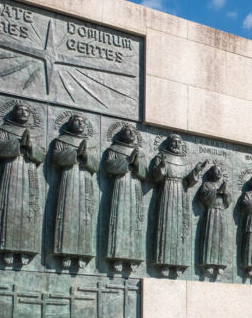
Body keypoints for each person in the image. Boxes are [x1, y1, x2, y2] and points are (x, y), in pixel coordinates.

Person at [0, 102, 44, 267]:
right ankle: (7, 247)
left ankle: (26, 248)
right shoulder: (4, 130)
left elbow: (41, 154)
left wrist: (30, 147)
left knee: (29, 209)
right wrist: (16, 144)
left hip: (29, 172)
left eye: (27, 110)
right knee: (11, 207)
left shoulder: (34, 134)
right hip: (12, 170)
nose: (23, 112)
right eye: (20, 109)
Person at [150, 134, 207, 277]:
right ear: (168, 143)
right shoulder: (161, 157)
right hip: (167, 193)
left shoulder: (183, 161)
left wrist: (197, 171)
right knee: (166, 227)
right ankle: (164, 262)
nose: (176, 144)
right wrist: (162, 166)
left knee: (181, 229)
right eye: (174, 142)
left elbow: (189, 182)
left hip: (181, 194)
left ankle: (179, 263)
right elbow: (156, 177)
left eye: (178, 142)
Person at [50, 114, 96, 270]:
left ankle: (83, 252)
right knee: (68, 213)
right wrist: (74, 154)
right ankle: (66, 252)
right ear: (69, 124)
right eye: (77, 121)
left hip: (85, 181)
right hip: (69, 179)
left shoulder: (89, 144)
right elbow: (56, 159)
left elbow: (95, 165)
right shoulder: (61, 141)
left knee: (85, 217)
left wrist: (86, 157)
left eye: (83, 121)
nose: (80, 123)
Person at [102, 124, 146, 273]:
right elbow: (109, 166)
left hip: (135, 187)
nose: (131, 133)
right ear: (121, 134)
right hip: (120, 186)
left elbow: (144, 173)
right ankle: (118, 256)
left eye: (133, 131)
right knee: (119, 219)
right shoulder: (113, 150)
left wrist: (137, 163)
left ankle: (134, 256)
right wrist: (127, 163)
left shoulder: (140, 152)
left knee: (135, 222)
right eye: (127, 130)